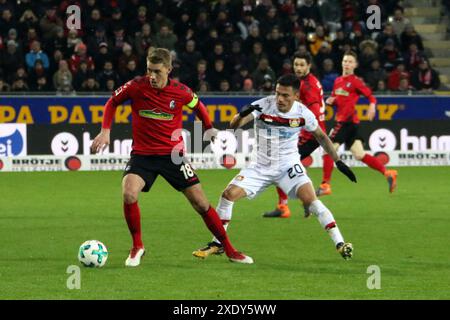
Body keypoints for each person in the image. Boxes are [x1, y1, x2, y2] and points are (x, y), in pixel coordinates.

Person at [90, 48, 253, 267]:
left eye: (157, 71)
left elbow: (198, 106)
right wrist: (105, 130)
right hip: (142, 156)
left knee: (201, 203)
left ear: (169, 69)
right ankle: (137, 247)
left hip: (173, 157)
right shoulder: (136, 86)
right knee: (129, 193)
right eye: (149, 70)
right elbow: (112, 102)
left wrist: (208, 128)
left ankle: (230, 249)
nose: (152, 76)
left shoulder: (181, 91)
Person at [192, 74, 356, 261]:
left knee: (310, 201)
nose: (280, 99)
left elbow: (321, 136)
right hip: (259, 167)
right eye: (278, 93)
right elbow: (233, 126)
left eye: (285, 95)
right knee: (228, 195)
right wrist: (242, 114)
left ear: (296, 96)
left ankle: (340, 244)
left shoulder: (303, 113)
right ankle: (218, 243)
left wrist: (339, 161)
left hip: (288, 166)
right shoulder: (264, 105)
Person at [317, 51, 398, 197]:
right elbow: (338, 100)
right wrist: (332, 101)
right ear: (342, 63)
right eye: (345, 61)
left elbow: (371, 97)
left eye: (350, 62)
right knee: (359, 154)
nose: (347, 64)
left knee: (327, 151)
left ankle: (325, 184)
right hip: (351, 123)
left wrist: (372, 106)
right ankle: (388, 173)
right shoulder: (338, 81)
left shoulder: (355, 81)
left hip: (345, 122)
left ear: (355, 65)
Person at [263, 52, 330, 218]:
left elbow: (312, 113)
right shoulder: (304, 82)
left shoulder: (308, 86)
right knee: (286, 166)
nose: (298, 68)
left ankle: (289, 205)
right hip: (309, 134)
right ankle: (298, 203)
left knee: (280, 164)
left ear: (309, 66)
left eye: (302, 65)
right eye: (296, 64)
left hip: (310, 135)